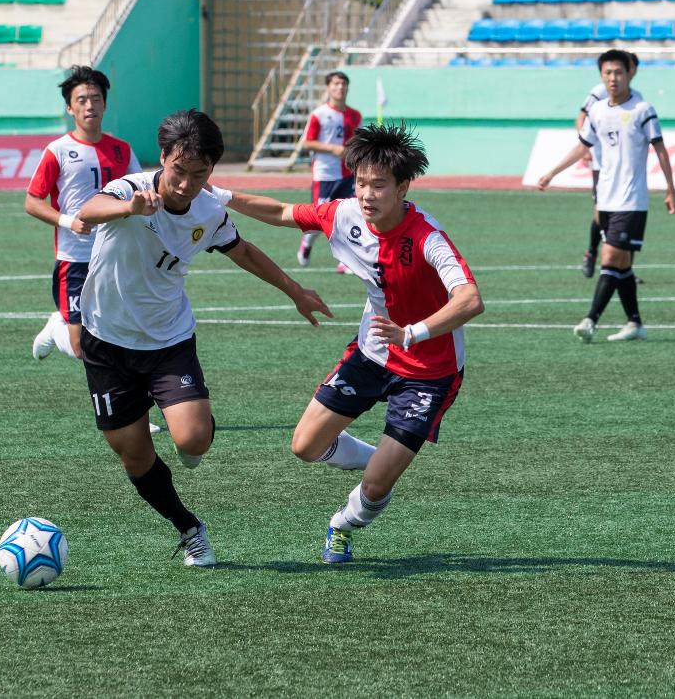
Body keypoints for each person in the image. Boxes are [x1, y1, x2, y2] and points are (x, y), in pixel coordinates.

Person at [209, 124, 484, 564]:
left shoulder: (426, 236)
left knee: (375, 488)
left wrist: (412, 332)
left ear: (402, 187)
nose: (367, 194)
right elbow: (282, 212)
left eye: (379, 185)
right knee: (305, 446)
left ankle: (343, 524)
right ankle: (383, 459)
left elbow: (470, 299)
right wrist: (221, 196)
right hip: (372, 355)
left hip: (429, 373)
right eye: (360, 182)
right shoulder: (344, 214)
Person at [75, 109, 331, 568]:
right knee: (133, 454)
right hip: (106, 342)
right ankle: (190, 528)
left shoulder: (210, 209)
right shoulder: (130, 189)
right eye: (178, 171)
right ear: (163, 159)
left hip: (168, 341)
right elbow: (88, 210)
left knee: (193, 441)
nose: (185, 184)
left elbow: (244, 251)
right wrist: (128, 208)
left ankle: (192, 424)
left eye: (199, 174)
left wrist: (296, 290)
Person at [538, 49, 675, 343]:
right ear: (601, 76)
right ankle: (634, 323)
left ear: (630, 73)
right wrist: (552, 172)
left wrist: (670, 189)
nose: (613, 78)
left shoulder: (642, 109)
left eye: (619, 72)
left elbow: (660, 149)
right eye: (608, 73)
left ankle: (590, 320)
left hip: (632, 199)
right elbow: (581, 146)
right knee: (622, 265)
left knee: (610, 256)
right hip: (606, 197)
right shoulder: (599, 111)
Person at [26, 66, 140, 362]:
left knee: (115, 332)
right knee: (80, 348)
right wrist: (68, 222)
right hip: (74, 257)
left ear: (105, 103)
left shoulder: (122, 150)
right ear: (70, 107)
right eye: (81, 100)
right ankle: (57, 327)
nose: (89, 105)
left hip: (113, 254)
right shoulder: (58, 150)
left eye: (95, 98)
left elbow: (138, 189)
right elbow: (33, 201)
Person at [576, 51, 642, 278]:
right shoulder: (599, 93)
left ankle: (625, 268)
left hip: (626, 173)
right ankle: (592, 252)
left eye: (630, 68)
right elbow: (581, 117)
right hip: (602, 166)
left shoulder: (638, 100)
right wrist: (587, 147)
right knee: (600, 215)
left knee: (627, 219)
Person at [297, 70, 362, 273]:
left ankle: (346, 261)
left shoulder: (355, 115)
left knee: (351, 216)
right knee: (319, 219)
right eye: (335, 84)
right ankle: (307, 243)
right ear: (328, 88)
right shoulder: (319, 114)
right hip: (325, 174)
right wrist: (333, 149)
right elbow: (307, 142)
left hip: (348, 174)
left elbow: (356, 141)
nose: (340, 87)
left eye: (343, 84)